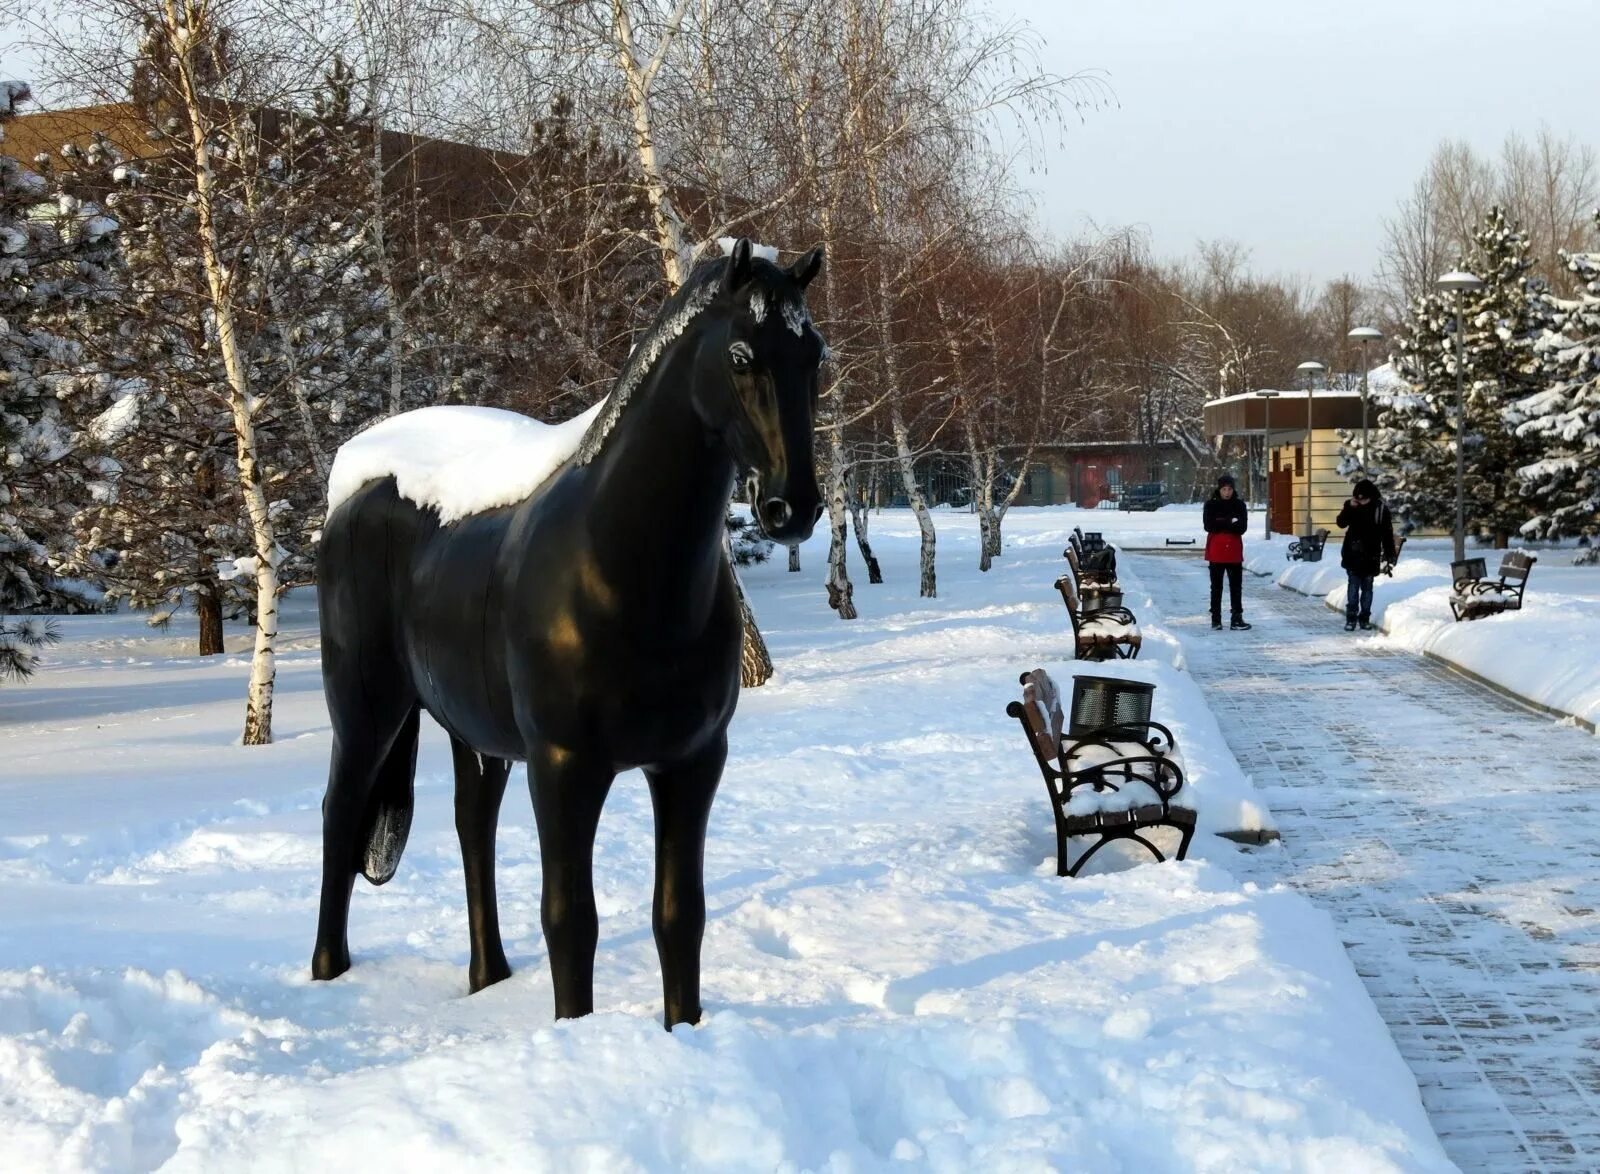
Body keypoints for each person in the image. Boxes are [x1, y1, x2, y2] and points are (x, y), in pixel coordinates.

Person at [1335, 478, 1398, 632]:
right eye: (1359, 499)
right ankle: (1351, 618)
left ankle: (1364, 618)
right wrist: (1349, 507)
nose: (1362, 501)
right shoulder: (1351, 506)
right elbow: (1341, 523)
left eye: (1365, 499)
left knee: (1367, 588)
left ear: (1371, 496)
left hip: (1371, 554)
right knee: (1353, 587)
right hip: (1353, 554)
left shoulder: (1380, 509)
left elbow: (1387, 533)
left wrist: (1390, 554)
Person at [1202, 473, 1251, 630]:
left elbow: (1242, 527)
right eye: (1224, 489)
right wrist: (1230, 521)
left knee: (1236, 587)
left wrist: (1221, 521)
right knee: (1216, 587)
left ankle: (1237, 618)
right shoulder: (1211, 505)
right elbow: (1209, 525)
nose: (1227, 492)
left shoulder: (1239, 505)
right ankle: (1216, 620)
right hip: (1216, 552)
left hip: (1234, 552)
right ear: (1219, 489)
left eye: (1229, 489)